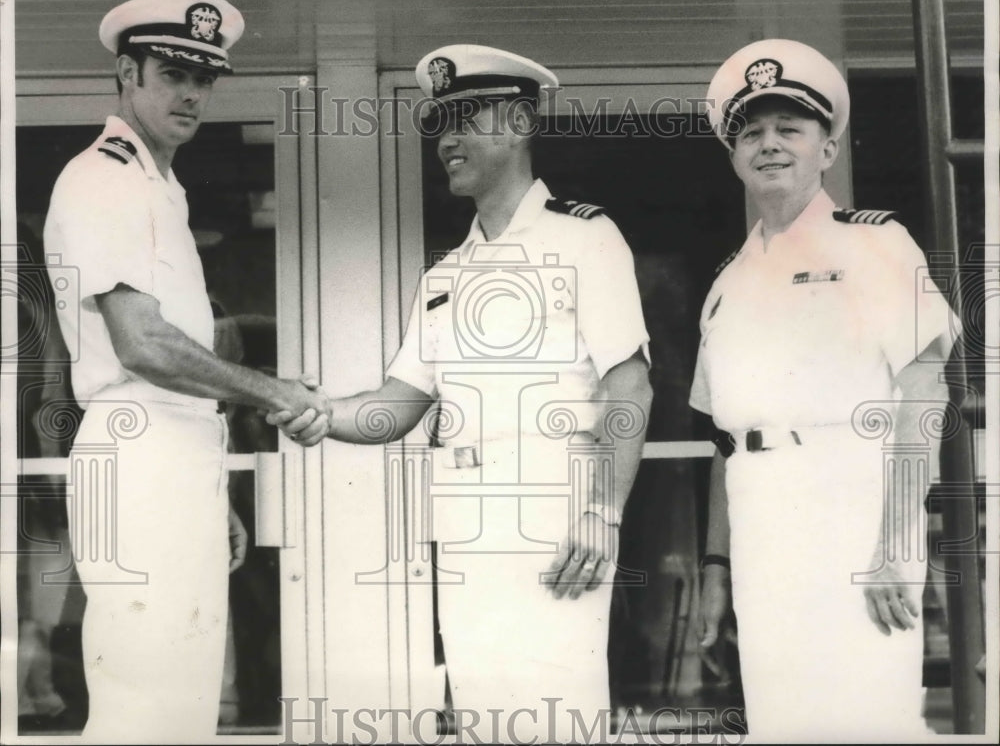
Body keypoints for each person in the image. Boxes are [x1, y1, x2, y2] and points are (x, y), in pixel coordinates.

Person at [272, 44, 653, 741]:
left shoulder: (584, 236)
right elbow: (399, 401)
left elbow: (628, 381)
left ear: (515, 122)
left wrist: (603, 511)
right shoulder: (446, 273)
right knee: (484, 719)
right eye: (439, 122)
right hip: (465, 536)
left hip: (555, 529)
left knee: (557, 719)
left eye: (465, 117)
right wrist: (320, 413)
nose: (446, 138)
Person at [43, 0, 328, 742]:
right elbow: (142, 344)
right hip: (137, 450)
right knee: (143, 699)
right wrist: (273, 392)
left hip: (173, 456)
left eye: (204, 78)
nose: (192, 94)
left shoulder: (158, 185)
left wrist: (216, 490)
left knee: (183, 699)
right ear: (126, 73)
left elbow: (177, 373)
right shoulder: (105, 178)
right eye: (172, 73)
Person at [692, 39, 959, 740]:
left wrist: (899, 544)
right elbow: (728, 440)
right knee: (781, 722)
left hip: (853, 527)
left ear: (828, 150)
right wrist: (715, 566)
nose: (769, 144)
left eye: (790, 128)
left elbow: (924, 393)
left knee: (868, 719)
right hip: (760, 536)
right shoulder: (726, 282)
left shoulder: (873, 244)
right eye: (750, 131)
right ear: (733, 155)